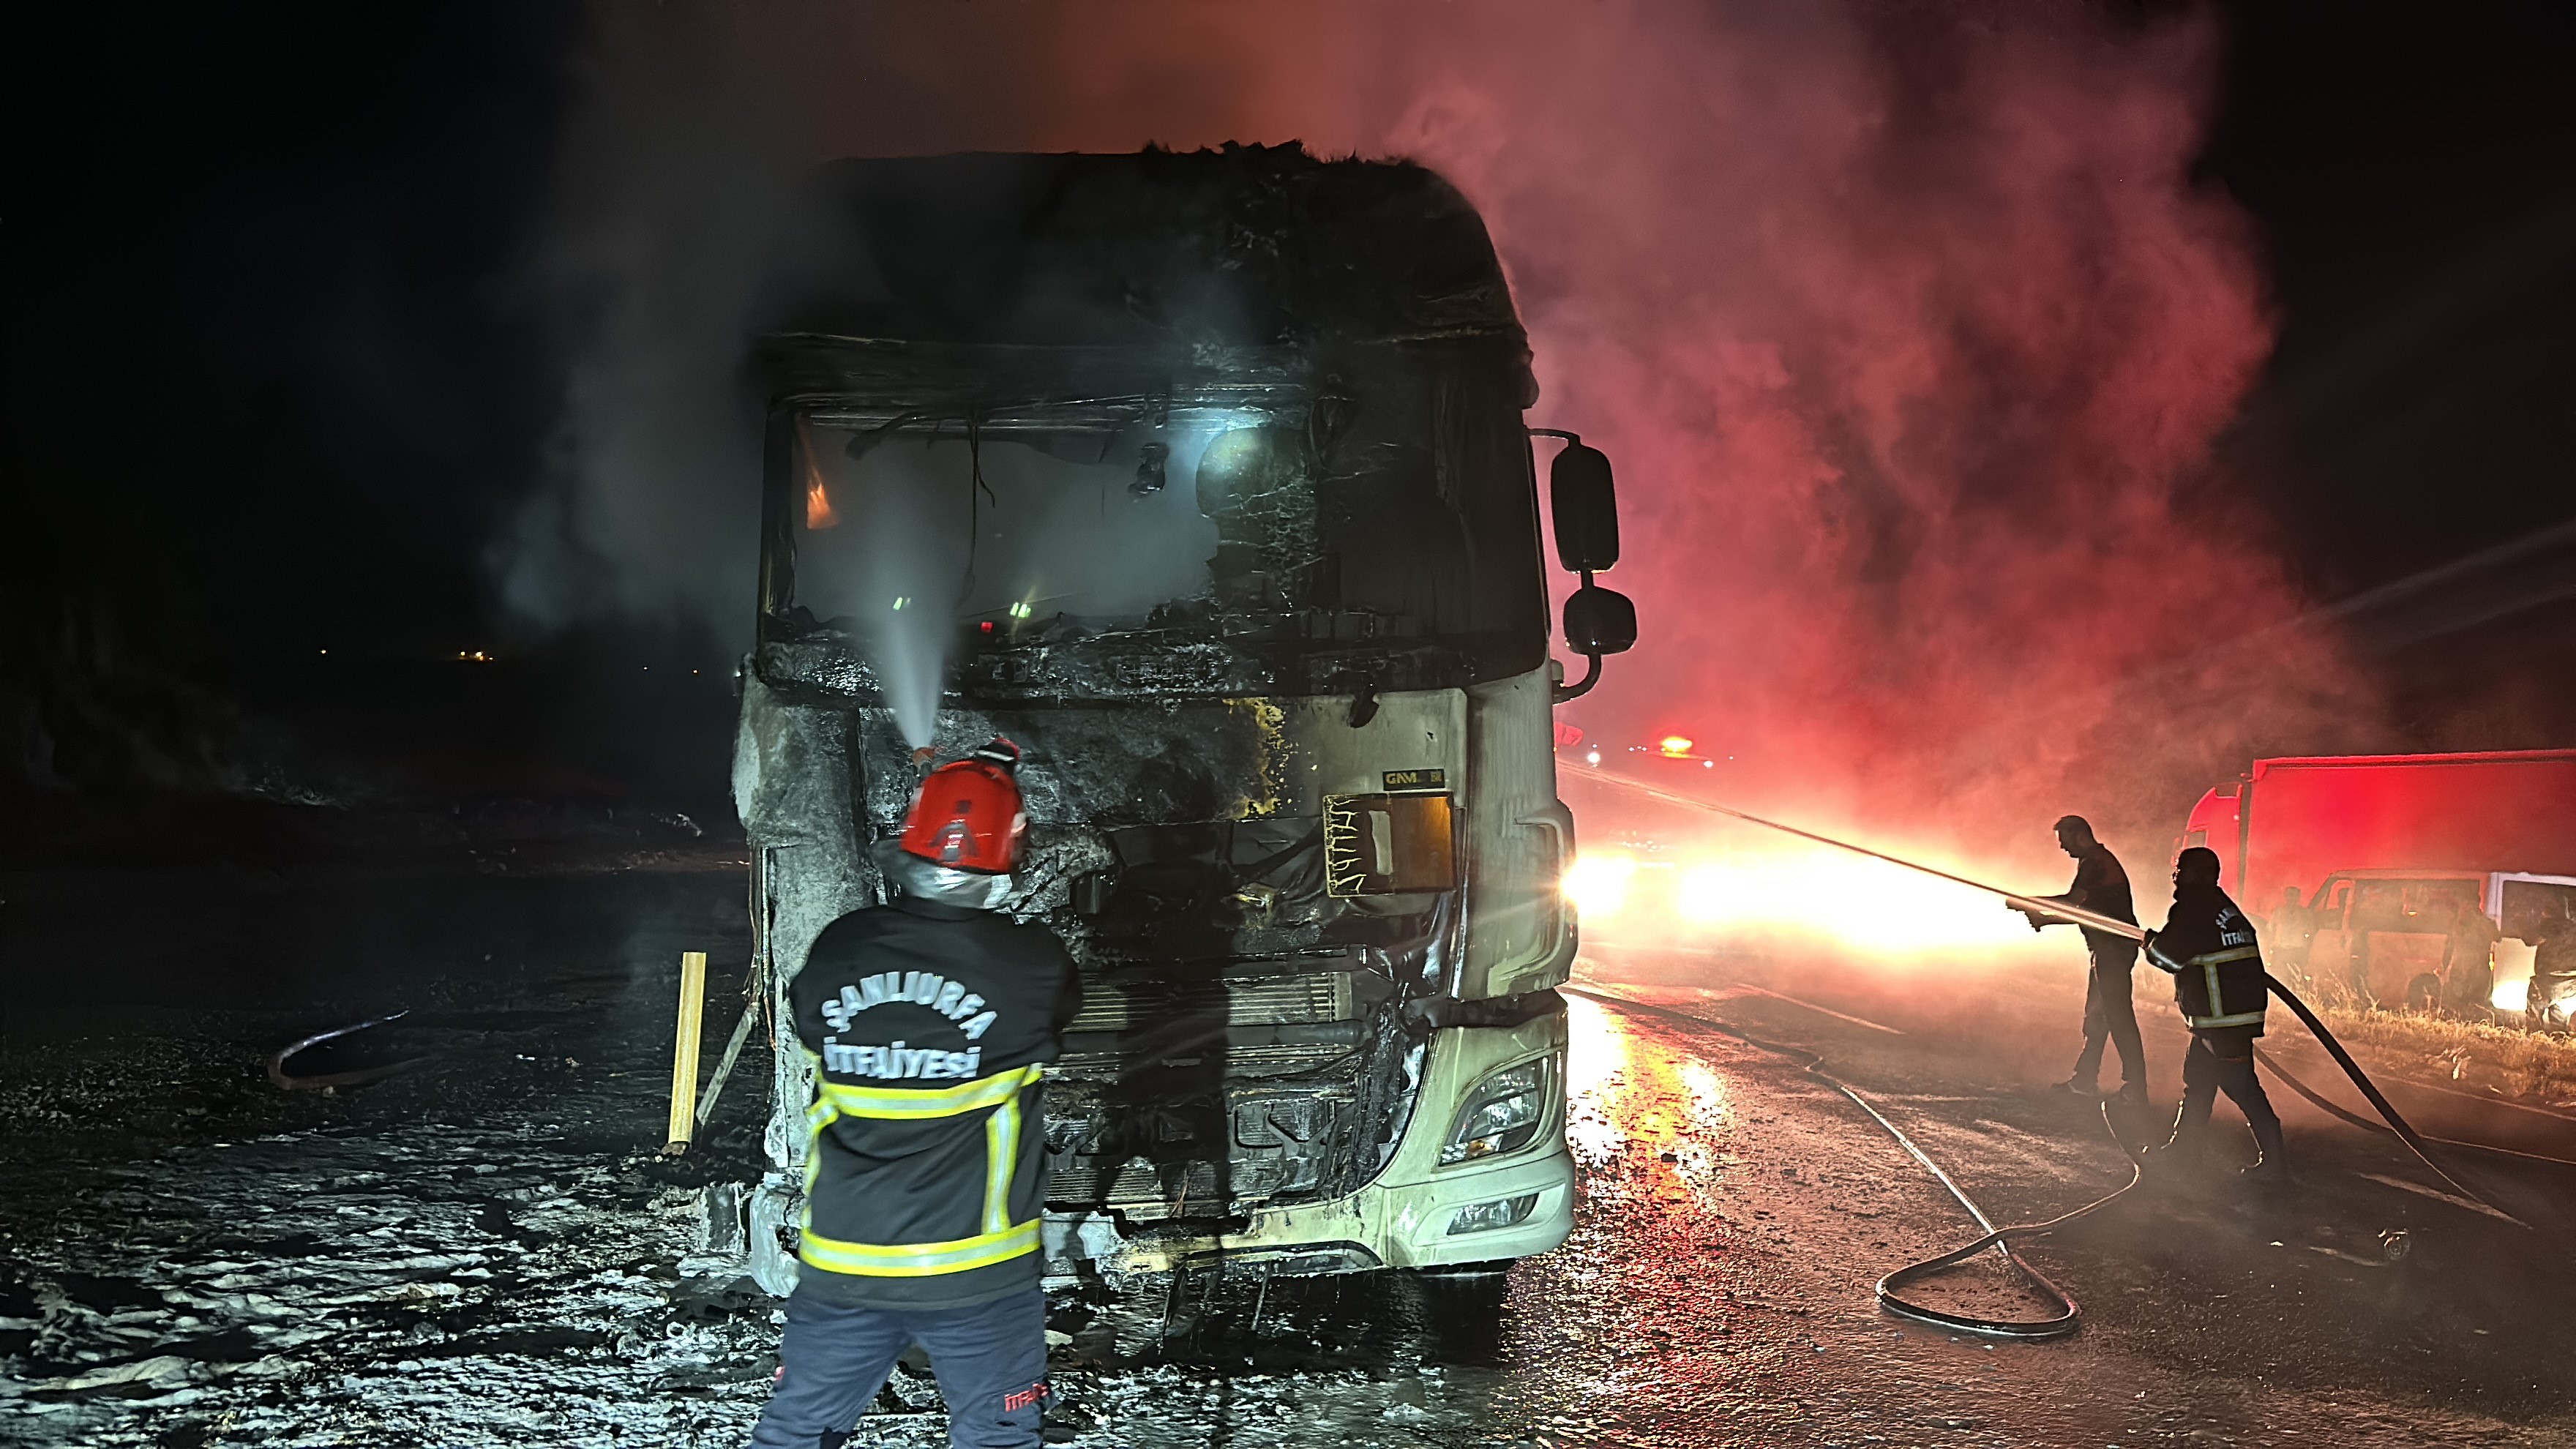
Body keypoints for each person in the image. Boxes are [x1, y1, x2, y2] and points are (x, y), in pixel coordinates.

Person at [749, 738, 1084, 1449]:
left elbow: (812, 1024)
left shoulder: (840, 947)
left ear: (910, 833)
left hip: (844, 1263)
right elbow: (1057, 1011)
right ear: (1013, 843)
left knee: (796, 1434)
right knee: (995, 1438)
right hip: (978, 1279)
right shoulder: (1029, 965)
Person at [2143, 847, 2287, 1183]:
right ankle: (2184, 1150)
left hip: (2223, 1020)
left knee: (2241, 1087)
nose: (2175, 876)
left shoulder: (2192, 909)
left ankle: (2277, 1165)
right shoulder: (2222, 907)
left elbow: (2169, 957)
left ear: (2193, 874)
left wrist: (2152, 944)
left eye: (2180, 869)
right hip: (2226, 1017)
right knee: (2199, 1082)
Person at [2015, 815, 2147, 1106]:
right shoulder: (2096, 861)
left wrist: (2032, 902)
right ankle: (2085, 1080)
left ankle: (2135, 1089)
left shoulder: (2094, 863)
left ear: (2079, 835)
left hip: (2113, 950)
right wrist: (2044, 918)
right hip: (2107, 949)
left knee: (2118, 1017)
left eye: (2064, 839)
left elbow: (2072, 901)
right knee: (2098, 1017)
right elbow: (2084, 911)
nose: (2062, 847)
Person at [2526, 894, 2576, 1033]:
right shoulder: (2574, 928)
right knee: (2559, 1023)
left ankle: (2533, 1041)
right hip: (2571, 986)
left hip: (2546, 984)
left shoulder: (2549, 926)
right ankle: (2558, 1044)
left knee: (2534, 1018)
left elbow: (2529, 940)